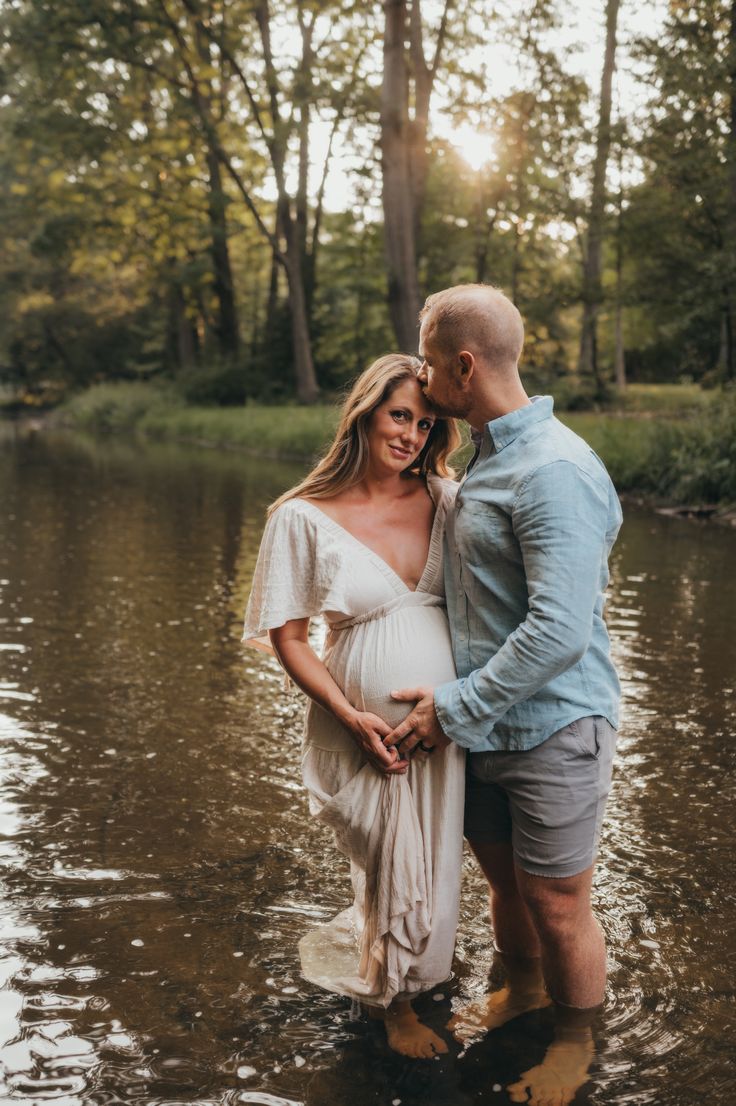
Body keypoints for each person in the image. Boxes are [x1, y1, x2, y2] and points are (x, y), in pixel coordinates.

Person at [384, 284, 622, 1102]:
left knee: (560, 906)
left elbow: (559, 633)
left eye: (424, 351)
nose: (418, 368)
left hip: (555, 728)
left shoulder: (554, 469)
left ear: (461, 363)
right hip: (483, 730)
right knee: (507, 888)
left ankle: (574, 1045)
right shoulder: (487, 454)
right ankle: (523, 992)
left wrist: (449, 709)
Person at [242, 354, 465, 1059]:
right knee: (382, 859)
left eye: (426, 424)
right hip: (357, 724)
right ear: (366, 412)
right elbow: (289, 637)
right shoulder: (301, 517)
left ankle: (424, 977)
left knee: (435, 859)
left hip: (444, 723)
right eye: (401, 415)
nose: (412, 435)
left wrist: (462, 701)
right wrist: (350, 713)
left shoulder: (448, 499)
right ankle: (394, 1002)